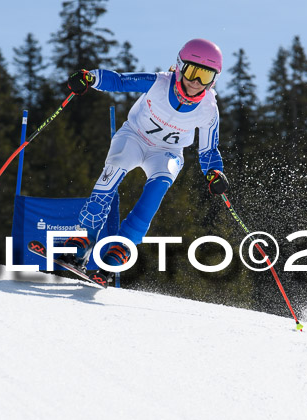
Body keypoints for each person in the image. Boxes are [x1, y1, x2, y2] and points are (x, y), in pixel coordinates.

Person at [61, 38, 230, 279]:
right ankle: (81, 243)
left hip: (167, 153)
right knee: (112, 174)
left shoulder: (209, 110)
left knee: (154, 194)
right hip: (134, 137)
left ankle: (120, 250)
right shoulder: (159, 83)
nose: (195, 82)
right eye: (192, 72)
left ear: (214, 80)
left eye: (204, 76)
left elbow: (209, 151)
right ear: (180, 67)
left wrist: (214, 173)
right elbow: (119, 81)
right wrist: (90, 78)